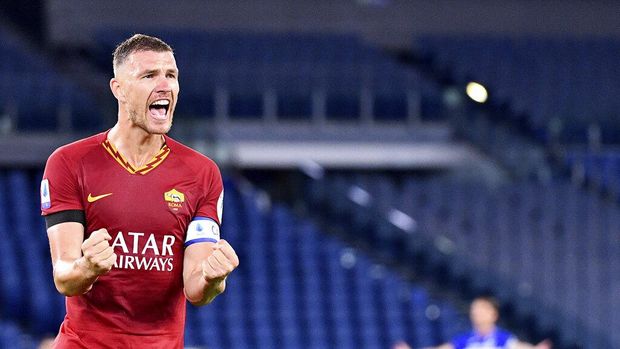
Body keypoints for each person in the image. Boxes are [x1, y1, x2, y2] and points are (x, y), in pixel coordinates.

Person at [40, 34, 239, 348]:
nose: (165, 85)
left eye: (171, 75)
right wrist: (87, 267)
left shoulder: (202, 173)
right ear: (118, 89)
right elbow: (64, 277)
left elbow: (195, 289)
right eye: (149, 76)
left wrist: (214, 279)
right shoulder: (69, 163)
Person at [393, 296, 551, 349]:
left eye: (482, 309)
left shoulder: (501, 339)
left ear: (493, 314)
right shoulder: (466, 340)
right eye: (474, 309)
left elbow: (519, 347)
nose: (477, 313)